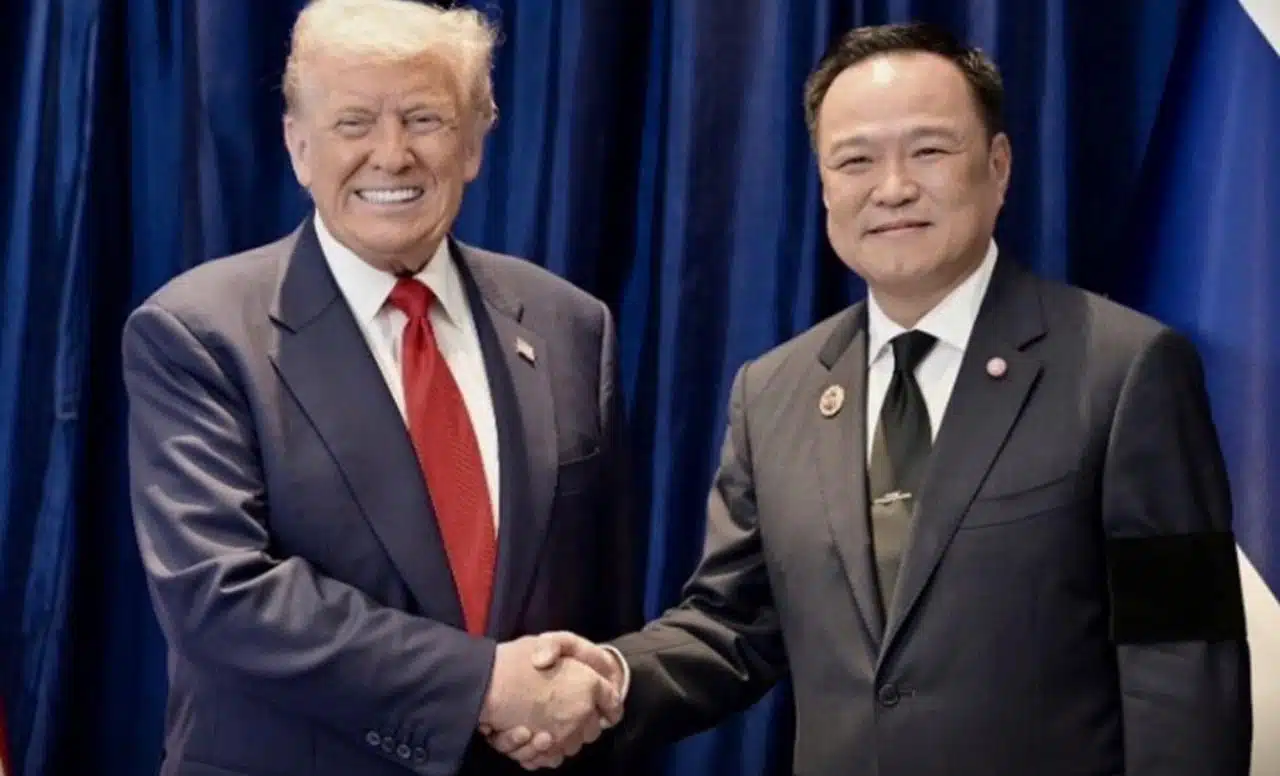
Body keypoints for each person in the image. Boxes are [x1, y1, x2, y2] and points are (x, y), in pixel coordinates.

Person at [489, 21, 1253, 776]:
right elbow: (734, 623)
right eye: (855, 160)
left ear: (999, 165)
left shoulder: (1125, 370)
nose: (893, 188)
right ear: (825, 186)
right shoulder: (775, 391)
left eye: (929, 151)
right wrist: (612, 679)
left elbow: (1184, 655)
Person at [120, 1, 642, 774]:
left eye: (425, 119)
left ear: (473, 143)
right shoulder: (198, 333)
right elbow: (221, 596)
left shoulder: (570, 324)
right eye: (354, 123)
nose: (392, 155)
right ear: (300, 148)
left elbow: (602, 596)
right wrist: (479, 686)